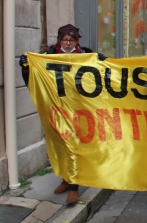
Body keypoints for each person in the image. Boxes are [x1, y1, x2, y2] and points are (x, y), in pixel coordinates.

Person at [19, 24, 107, 205]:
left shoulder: (86, 54)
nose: (68, 43)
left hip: (80, 109)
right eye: (65, 40)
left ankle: (73, 187)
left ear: (76, 41)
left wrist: (102, 61)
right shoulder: (48, 56)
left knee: (74, 145)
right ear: (60, 40)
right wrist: (25, 67)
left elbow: (102, 77)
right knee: (61, 145)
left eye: (71, 40)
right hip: (57, 108)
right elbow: (33, 79)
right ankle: (66, 180)